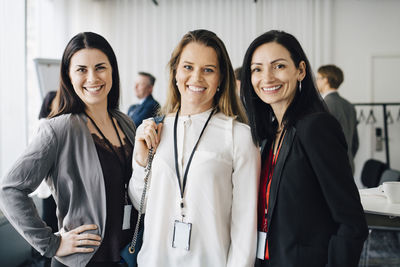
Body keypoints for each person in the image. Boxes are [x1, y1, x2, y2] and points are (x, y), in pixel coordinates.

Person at [0, 32, 138, 267]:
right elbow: (11, 189)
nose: (92, 78)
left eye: (100, 67)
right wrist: (51, 243)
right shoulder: (58, 129)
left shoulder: (125, 122)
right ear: (68, 76)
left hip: (126, 256)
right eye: (82, 69)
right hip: (82, 261)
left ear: (112, 70)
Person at [129, 29, 260, 267]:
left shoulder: (239, 136)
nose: (196, 77)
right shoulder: (154, 130)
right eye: (188, 67)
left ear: (221, 79)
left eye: (208, 70)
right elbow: (142, 204)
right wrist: (140, 160)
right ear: (175, 72)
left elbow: (245, 226)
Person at [240, 30, 368, 267]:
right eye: (257, 69)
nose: (266, 77)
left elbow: (351, 222)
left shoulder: (316, 126)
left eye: (278, 66)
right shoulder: (270, 132)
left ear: (300, 70)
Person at [316, 64, 359, 173]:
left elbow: (319, 142)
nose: (316, 81)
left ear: (325, 80)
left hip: (329, 168)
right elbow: (355, 142)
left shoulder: (322, 106)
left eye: (318, 78)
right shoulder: (349, 106)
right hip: (348, 165)